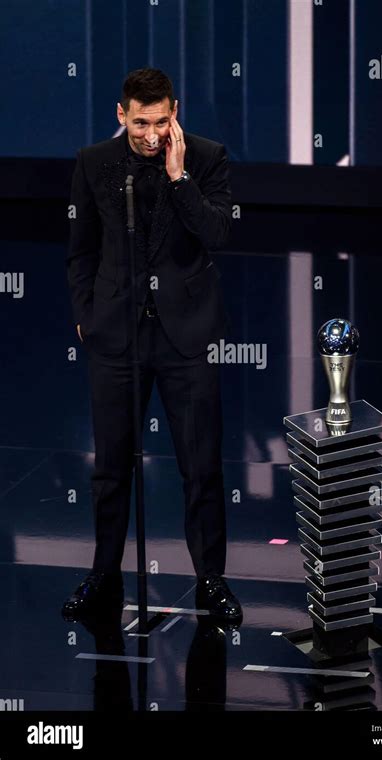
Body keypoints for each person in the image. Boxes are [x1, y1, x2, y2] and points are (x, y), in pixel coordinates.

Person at [62, 67, 241, 623]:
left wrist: (178, 175)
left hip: (186, 337)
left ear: (175, 112)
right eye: (140, 123)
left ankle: (211, 580)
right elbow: (81, 249)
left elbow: (219, 234)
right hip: (116, 335)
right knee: (111, 467)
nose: (150, 134)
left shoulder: (207, 157)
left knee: (201, 466)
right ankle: (104, 577)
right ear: (121, 115)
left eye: (161, 122)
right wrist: (86, 313)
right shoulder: (94, 163)